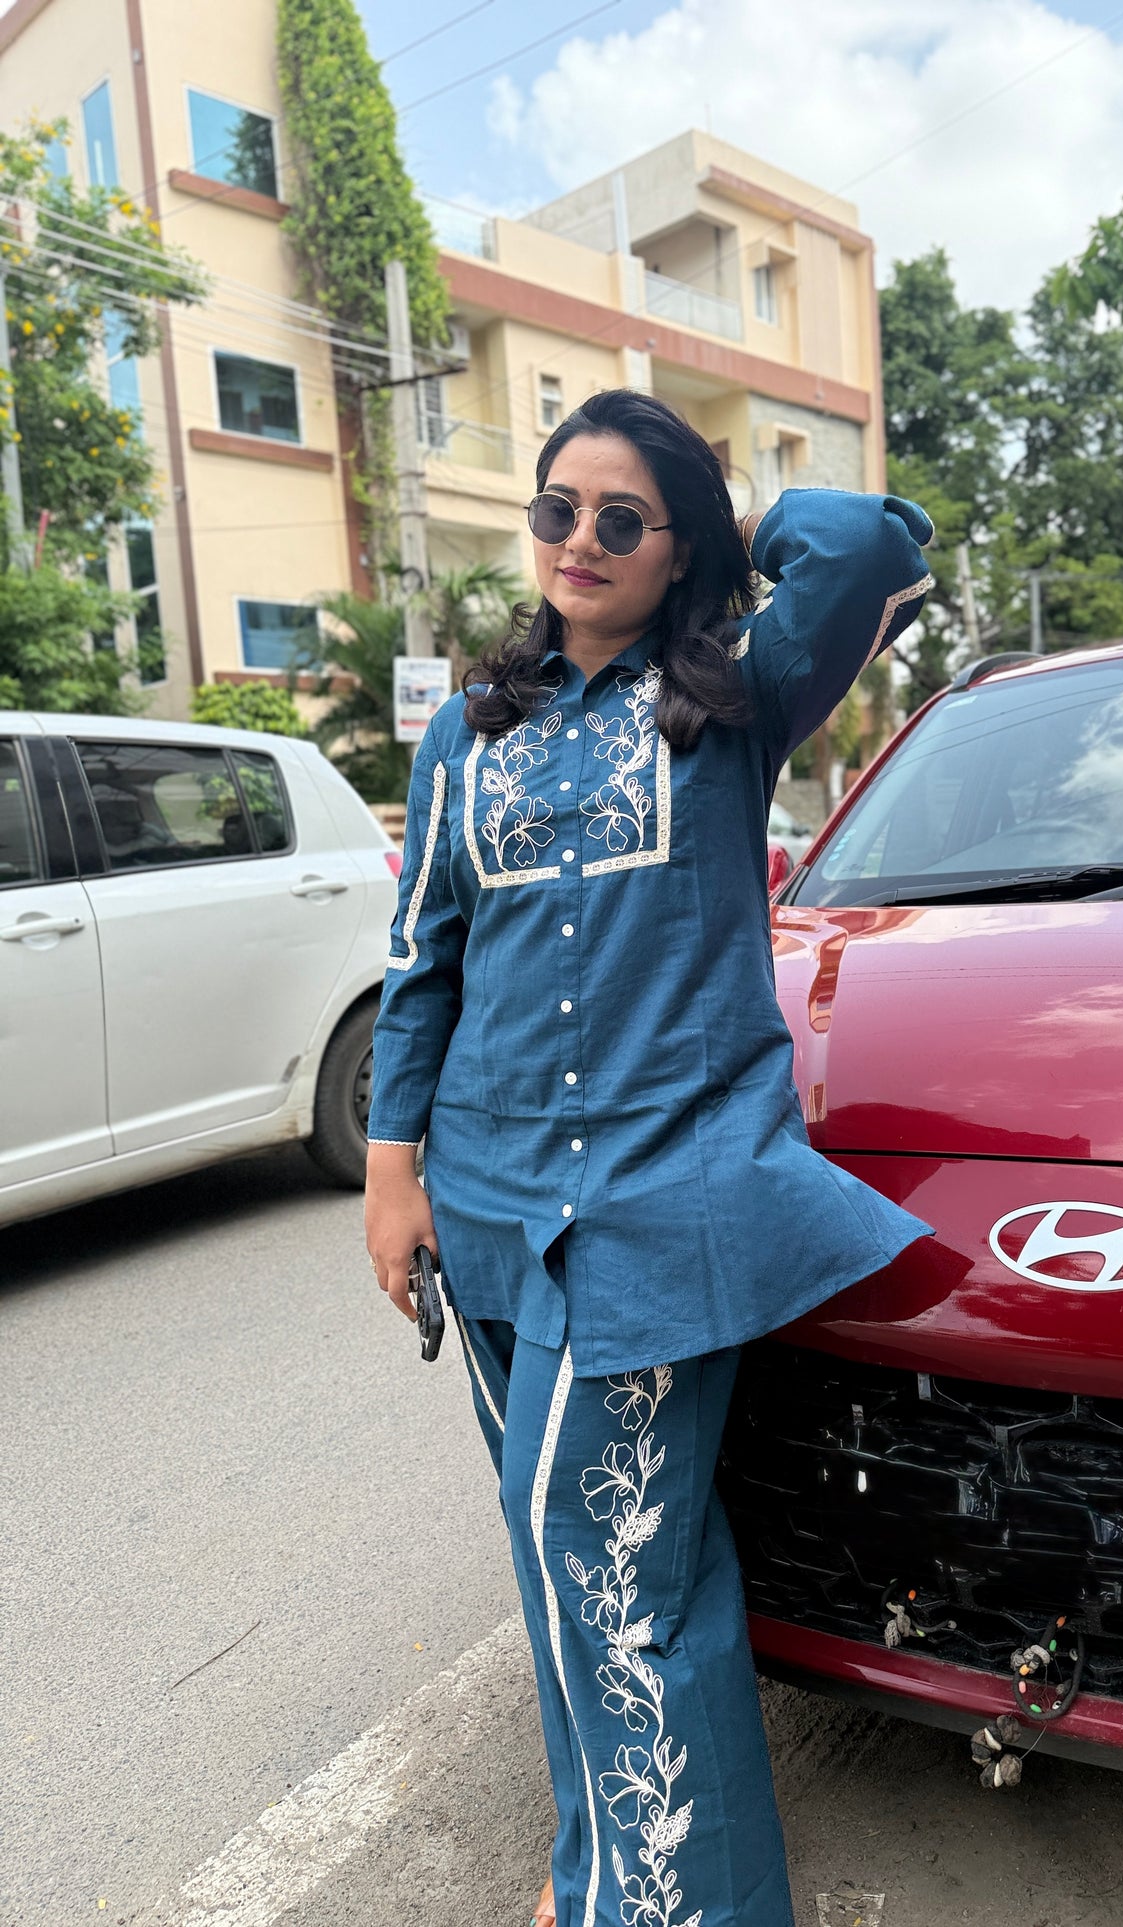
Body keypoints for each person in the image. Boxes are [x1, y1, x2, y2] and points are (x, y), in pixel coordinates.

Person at [365, 389, 934, 1927]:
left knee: (614, 1566)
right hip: (483, 1211)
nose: (579, 542)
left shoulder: (736, 692)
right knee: (566, 1564)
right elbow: (423, 967)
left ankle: (673, 1903)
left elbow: (876, 544)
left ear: (677, 544)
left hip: (656, 1207)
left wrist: (723, 538)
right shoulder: (464, 735)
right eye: (557, 510)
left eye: (623, 518)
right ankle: (600, 1862)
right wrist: (390, 1173)